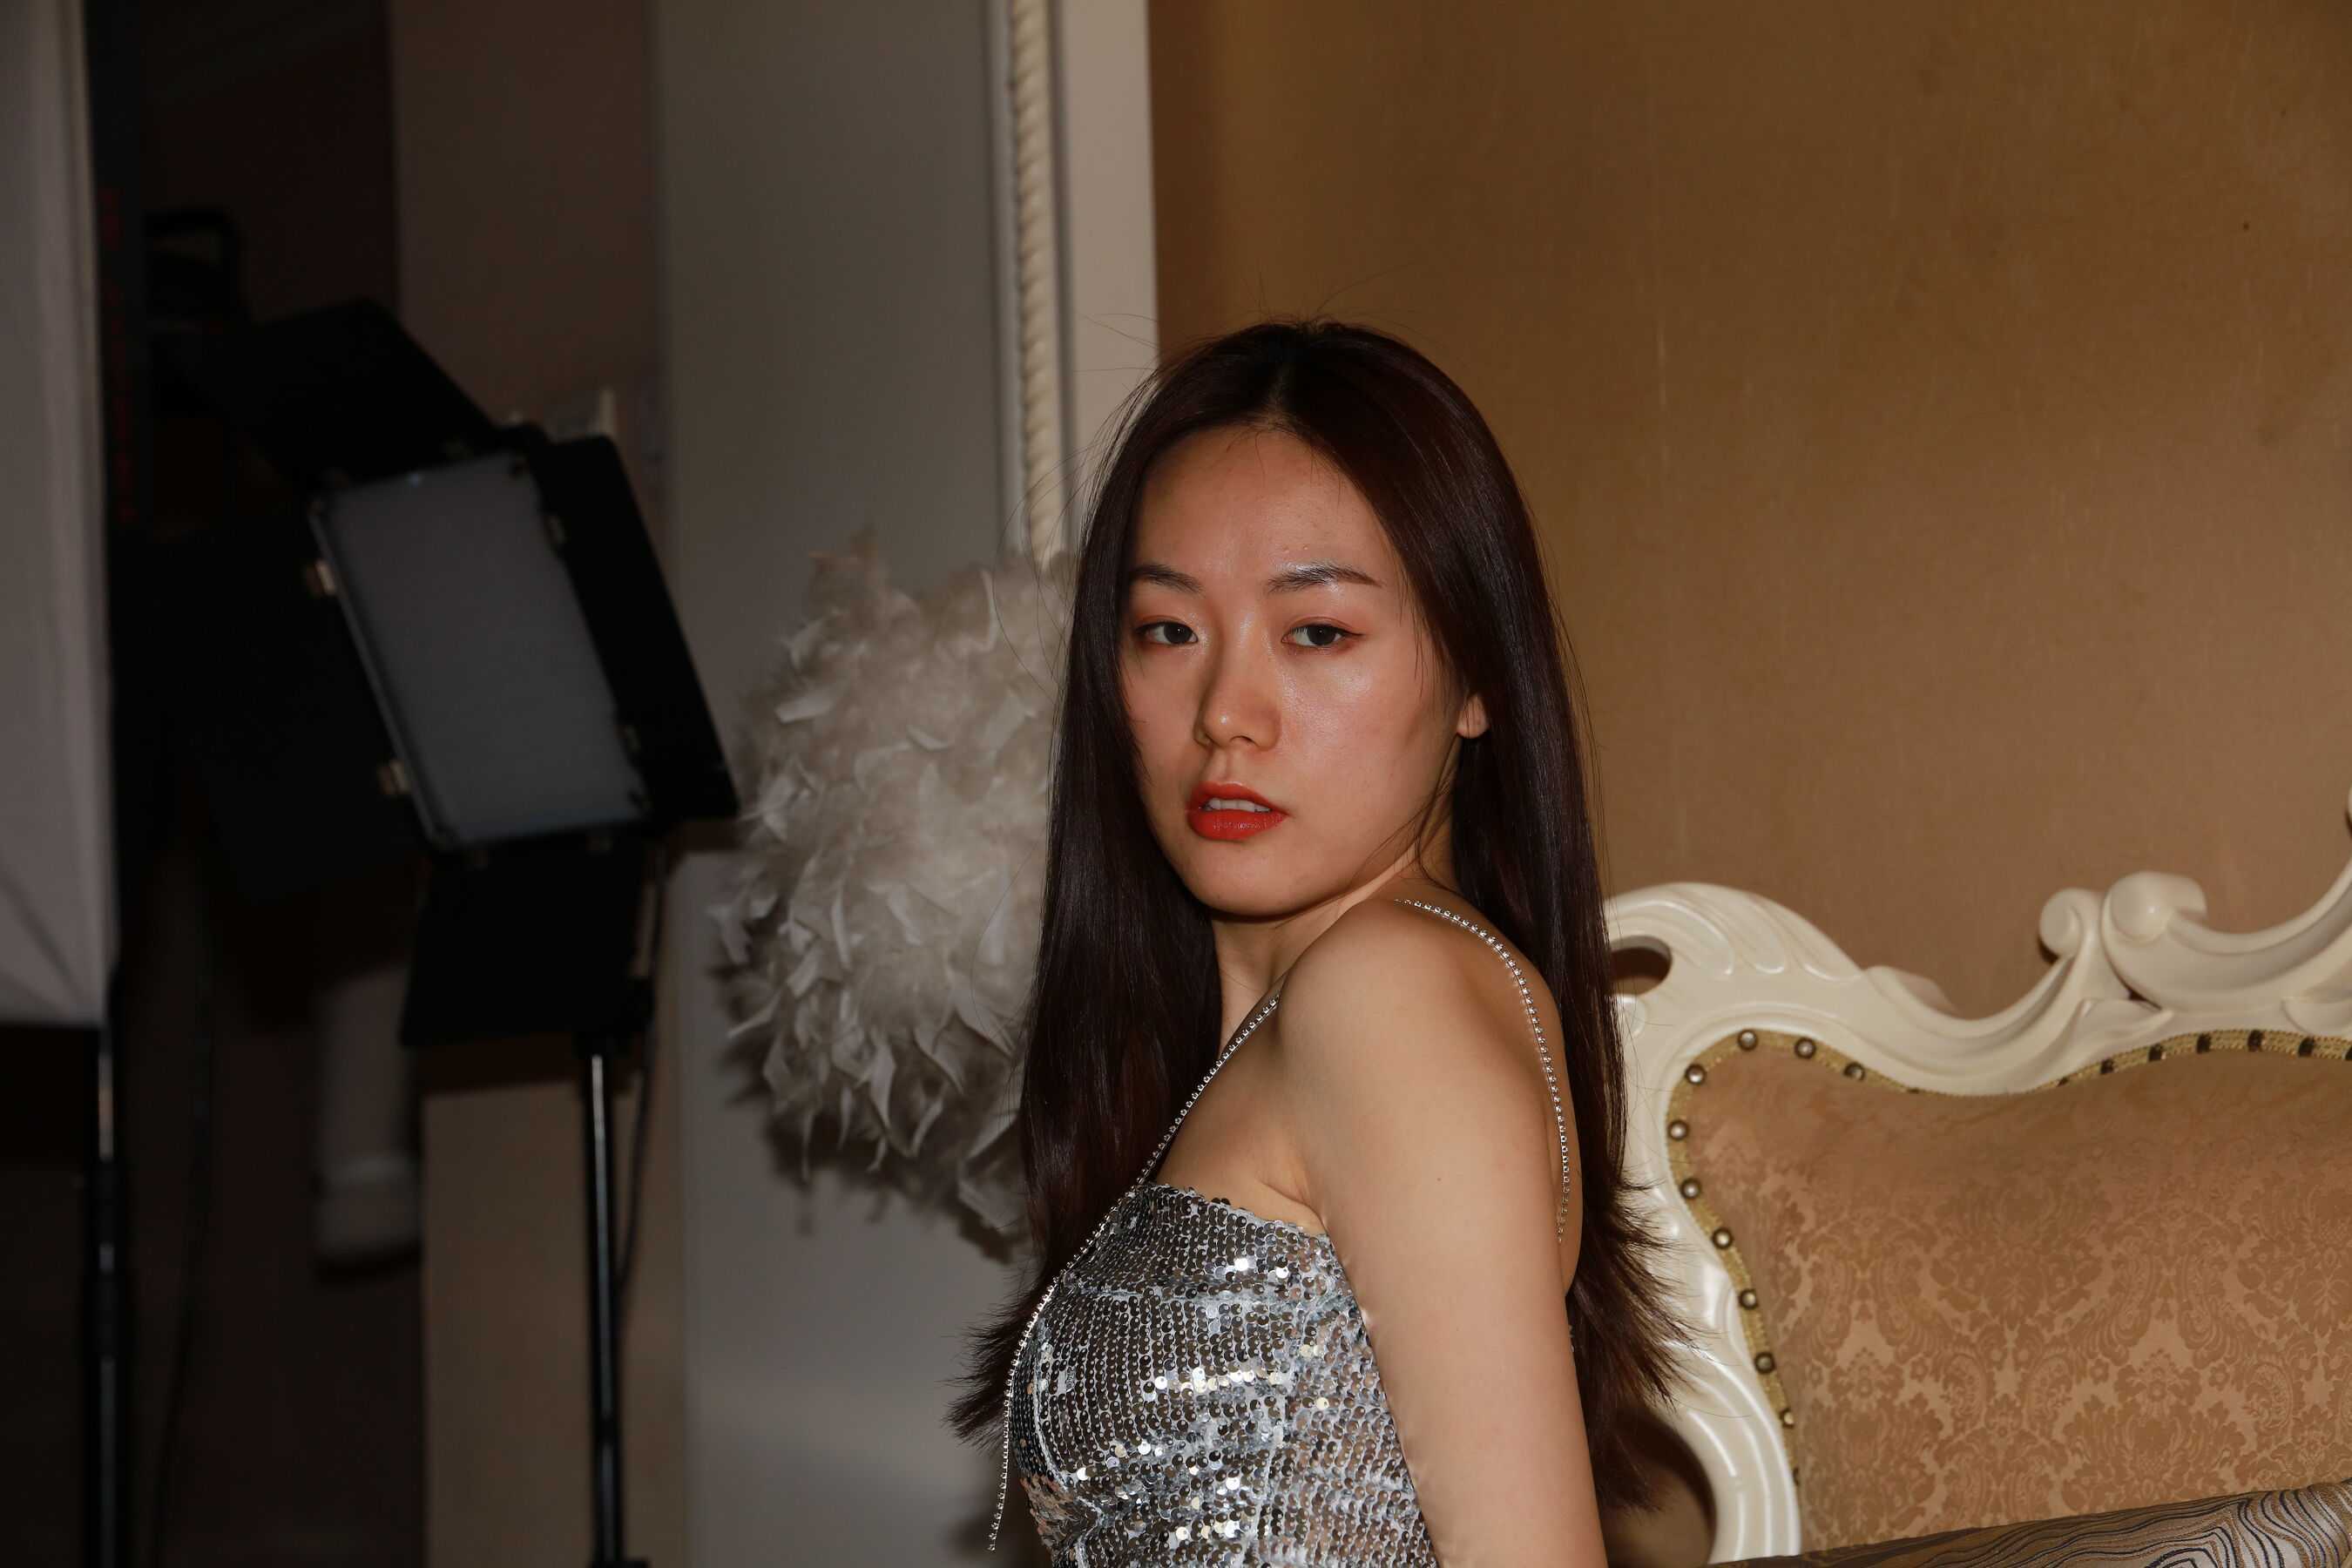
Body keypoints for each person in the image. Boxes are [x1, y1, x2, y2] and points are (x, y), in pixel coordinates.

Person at [949, 319, 1689, 1564]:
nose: (1225, 715)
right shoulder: (1323, 1015)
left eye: (1318, 632)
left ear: (1476, 679)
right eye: (1167, 630)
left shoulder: (1387, 991)